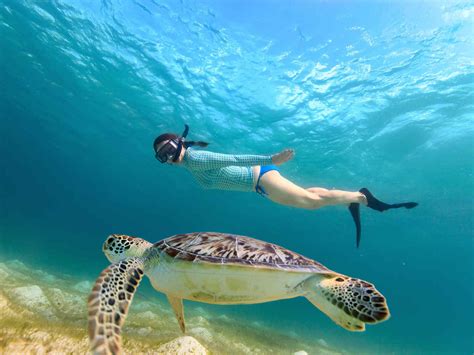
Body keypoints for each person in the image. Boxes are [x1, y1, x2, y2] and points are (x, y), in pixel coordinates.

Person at [153, 125, 418, 247]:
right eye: (160, 156)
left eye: (166, 149)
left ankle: (361, 198)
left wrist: (272, 159)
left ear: (178, 142)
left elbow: (233, 158)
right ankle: (354, 197)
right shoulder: (190, 163)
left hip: (260, 178)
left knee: (310, 204)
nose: (166, 157)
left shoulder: (195, 158)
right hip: (260, 182)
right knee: (311, 196)